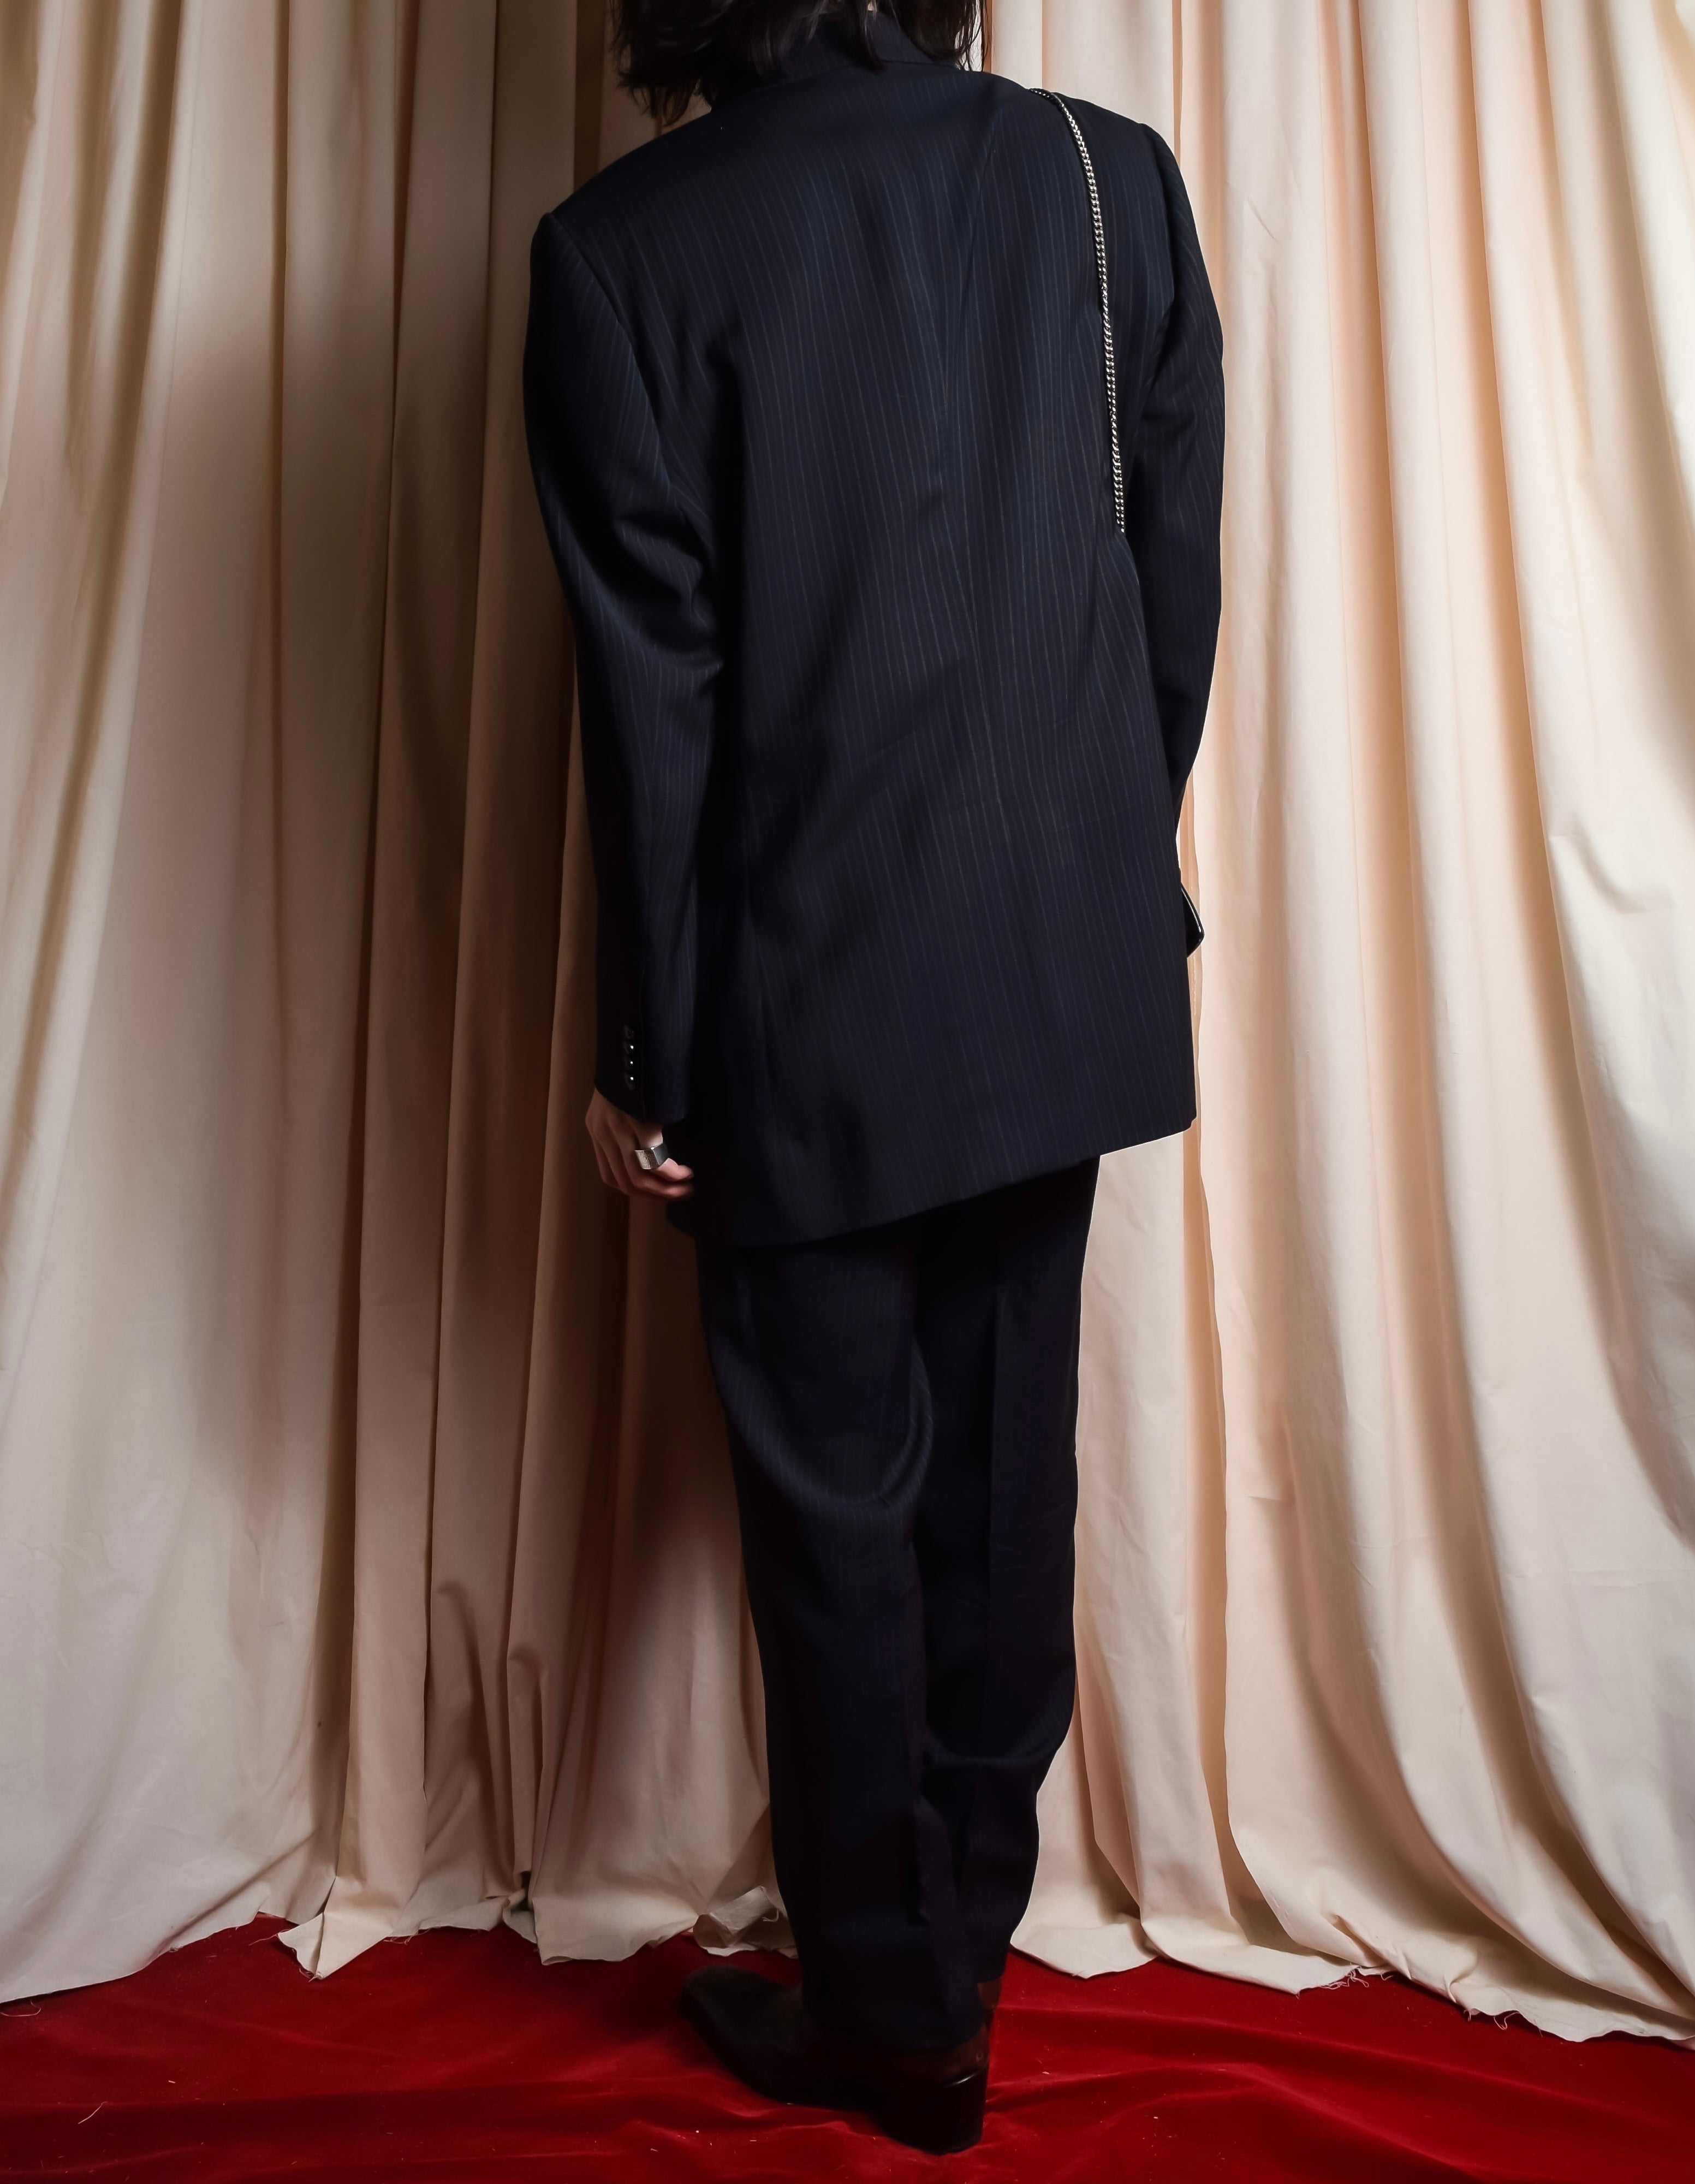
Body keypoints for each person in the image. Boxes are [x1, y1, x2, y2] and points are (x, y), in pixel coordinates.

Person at [522, 0, 1222, 2153]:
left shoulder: (620, 249)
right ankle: (952, 1955)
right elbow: (1168, 583)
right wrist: (1091, 880)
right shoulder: (1107, 176)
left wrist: (644, 1055)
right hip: (1055, 965)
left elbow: (656, 704)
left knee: (836, 1518)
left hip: (798, 1004)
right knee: (1005, 1486)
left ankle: (894, 2012)